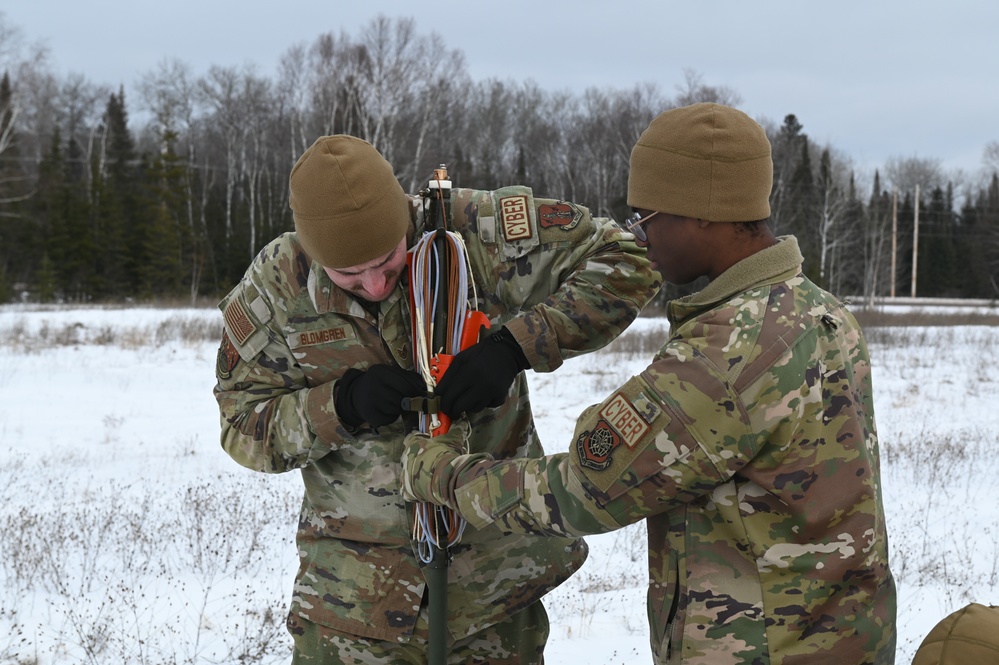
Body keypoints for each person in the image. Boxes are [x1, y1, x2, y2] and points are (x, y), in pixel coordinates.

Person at [401, 103, 898, 664]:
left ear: (704, 212)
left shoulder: (727, 354)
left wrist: (440, 473)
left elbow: (584, 491)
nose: (639, 237)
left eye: (646, 218)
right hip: (845, 639)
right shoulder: (821, 312)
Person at [213, 134, 660, 663]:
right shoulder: (277, 287)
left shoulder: (475, 233)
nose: (376, 285)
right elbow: (242, 425)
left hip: (494, 585)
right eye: (349, 275)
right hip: (350, 599)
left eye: (388, 260)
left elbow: (627, 259)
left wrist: (517, 345)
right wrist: (341, 406)